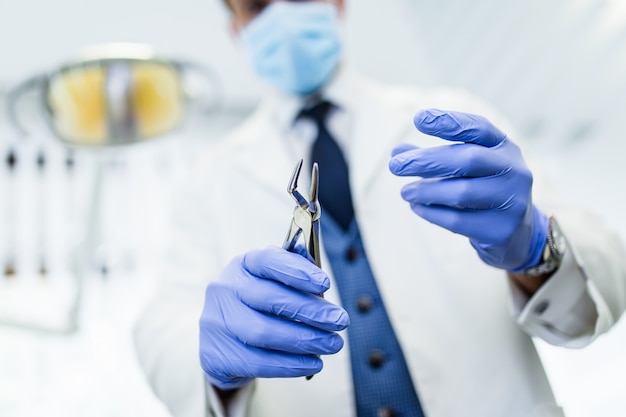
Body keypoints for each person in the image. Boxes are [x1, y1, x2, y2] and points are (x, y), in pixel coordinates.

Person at [133, 1, 626, 416]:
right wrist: (215, 366)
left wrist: (537, 245)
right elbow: (161, 327)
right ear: (236, 28)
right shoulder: (209, 179)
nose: (283, 14)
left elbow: (600, 284)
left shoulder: (449, 117)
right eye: (258, 5)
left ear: (339, 4)